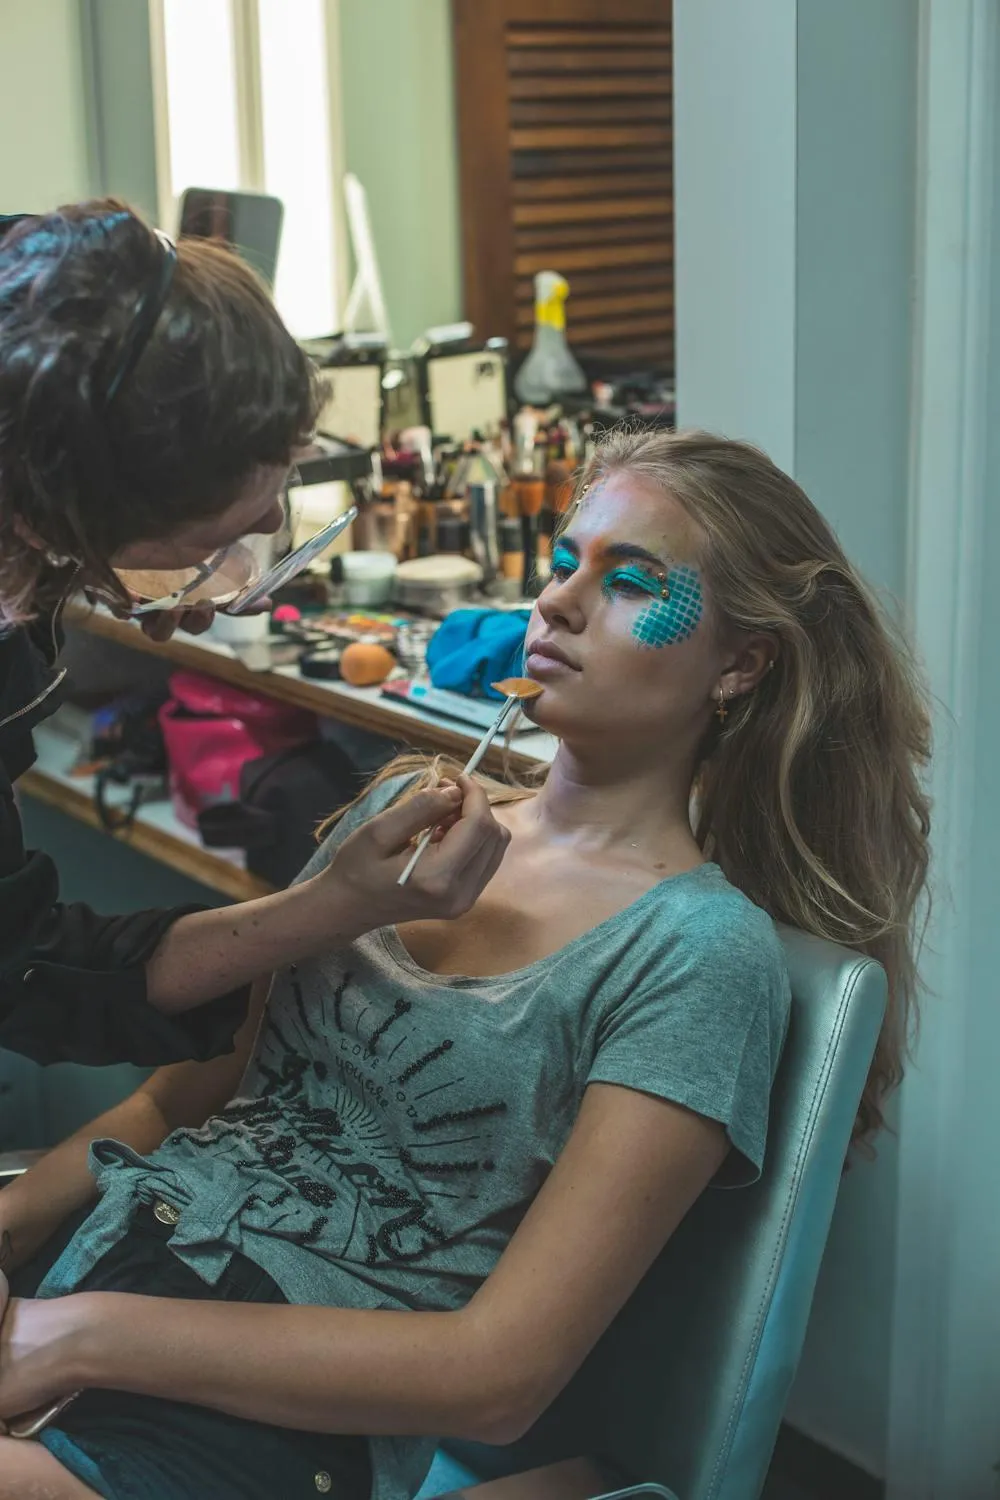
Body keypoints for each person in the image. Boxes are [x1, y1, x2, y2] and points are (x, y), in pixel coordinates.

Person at [0, 429, 932, 1500]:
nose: (560, 605)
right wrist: (14, 1228)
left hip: (255, 1428)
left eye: (630, 583)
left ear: (740, 662)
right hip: (90, 1278)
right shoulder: (405, 832)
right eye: (563, 564)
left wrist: (72, 1339)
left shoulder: (695, 958)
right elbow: (184, 1099)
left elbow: (497, 1378)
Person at [0, 199, 508, 1072]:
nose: (273, 521)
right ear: (57, 521)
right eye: (219, 533)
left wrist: (104, 568)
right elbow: (26, 974)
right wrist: (335, 903)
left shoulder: (43, 303)